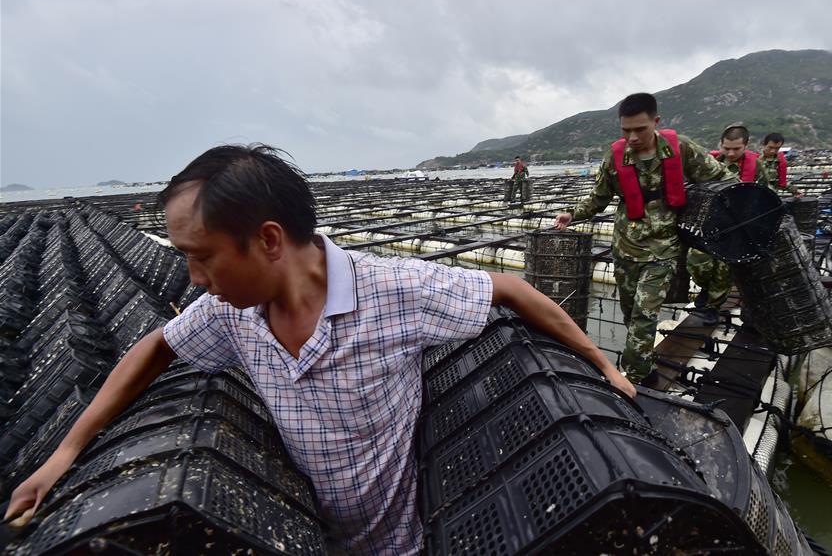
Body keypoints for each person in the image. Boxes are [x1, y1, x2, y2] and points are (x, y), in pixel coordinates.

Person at [5, 144, 634, 555]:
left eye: (202, 258)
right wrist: (66, 452)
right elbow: (155, 348)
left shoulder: (396, 288)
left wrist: (601, 362)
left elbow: (512, 288)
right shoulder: (231, 315)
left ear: (268, 240)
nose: (194, 279)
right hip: (307, 536)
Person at [554, 93, 733, 382]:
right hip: (626, 247)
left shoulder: (680, 148)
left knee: (644, 313)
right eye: (626, 131)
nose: (633, 137)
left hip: (664, 247)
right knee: (630, 313)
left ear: (656, 122)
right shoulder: (615, 157)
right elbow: (599, 198)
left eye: (640, 129)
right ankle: (644, 363)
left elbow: (720, 178)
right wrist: (572, 215)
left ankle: (636, 378)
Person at [687, 123, 766, 324]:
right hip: (712, 223)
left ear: (745, 146)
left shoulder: (756, 167)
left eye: (736, 149)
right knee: (696, 261)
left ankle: (713, 306)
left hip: (738, 227)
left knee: (723, 268)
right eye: (726, 148)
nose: (730, 153)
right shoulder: (710, 162)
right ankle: (706, 287)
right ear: (720, 145)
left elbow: (766, 197)